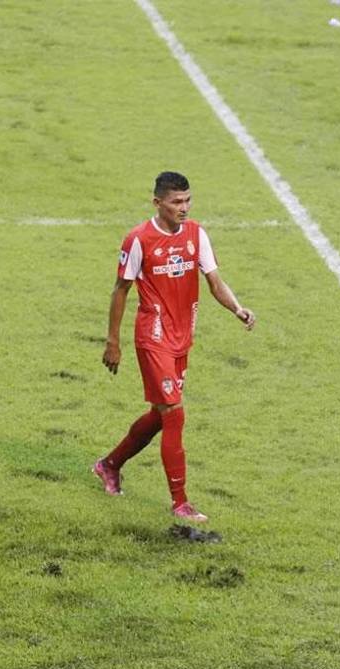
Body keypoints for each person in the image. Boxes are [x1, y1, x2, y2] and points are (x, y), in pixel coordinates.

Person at [94, 171, 255, 523]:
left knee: (159, 415)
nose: (184, 208)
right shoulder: (139, 239)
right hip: (152, 336)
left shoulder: (197, 234)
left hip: (183, 336)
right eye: (176, 202)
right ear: (158, 203)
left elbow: (214, 281)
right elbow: (120, 290)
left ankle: (109, 465)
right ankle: (180, 502)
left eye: (187, 200)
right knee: (174, 413)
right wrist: (112, 341)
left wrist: (238, 309)